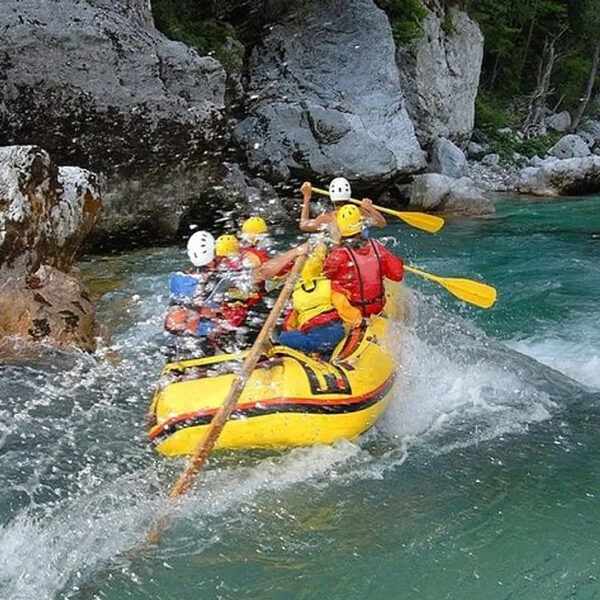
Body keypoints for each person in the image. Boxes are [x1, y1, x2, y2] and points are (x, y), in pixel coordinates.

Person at [277, 245, 362, 355]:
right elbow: (344, 307)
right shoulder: (329, 286)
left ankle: (316, 354)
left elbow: (289, 322)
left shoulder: (296, 294)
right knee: (324, 345)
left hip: (312, 334)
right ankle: (326, 355)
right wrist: (358, 322)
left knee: (283, 338)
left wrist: (294, 333)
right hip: (335, 332)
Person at [323, 204, 404, 317]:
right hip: (376, 309)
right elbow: (398, 274)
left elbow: (323, 278)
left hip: (351, 311)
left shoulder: (337, 255)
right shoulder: (376, 247)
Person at [299, 177, 387, 241]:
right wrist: (371, 209)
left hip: (339, 253)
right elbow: (382, 223)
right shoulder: (359, 212)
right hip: (360, 250)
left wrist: (306, 198)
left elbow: (303, 224)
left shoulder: (326, 218)